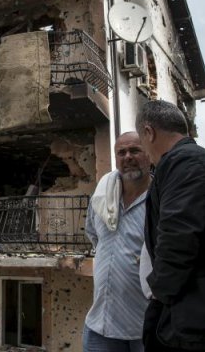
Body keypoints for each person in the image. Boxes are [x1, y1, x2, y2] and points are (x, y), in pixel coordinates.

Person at [135, 100, 205, 351]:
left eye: (141, 145)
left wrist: (159, 289)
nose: (145, 153)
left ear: (149, 132)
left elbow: (179, 234)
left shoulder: (185, 163)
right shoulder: (187, 162)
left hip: (188, 319)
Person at [83, 131, 152, 352]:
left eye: (135, 150)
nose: (128, 157)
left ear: (149, 154)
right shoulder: (103, 197)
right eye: (121, 152)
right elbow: (93, 235)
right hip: (100, 325)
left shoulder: (159, 200)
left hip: (146, 325)